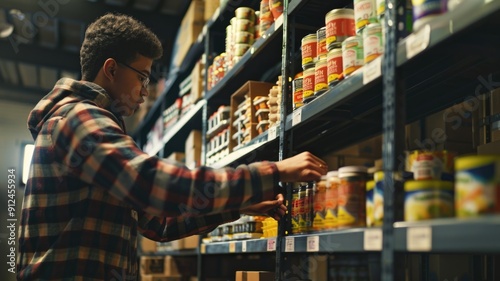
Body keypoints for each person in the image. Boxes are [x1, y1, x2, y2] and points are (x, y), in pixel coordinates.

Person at [17, 13, 328, 280]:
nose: (143, 92)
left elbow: (158, 224)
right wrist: (272, 171)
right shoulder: (80, 119)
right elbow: (152, 183)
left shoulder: (87, 124)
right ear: (111, 69)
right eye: (142, 77)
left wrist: (236, 205)